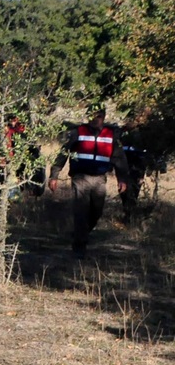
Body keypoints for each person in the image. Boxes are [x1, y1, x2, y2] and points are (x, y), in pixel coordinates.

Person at [48, 108, 129, 256]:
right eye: (92, 116)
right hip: (80, 178)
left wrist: (122, 179)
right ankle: (80, 247)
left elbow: (119, 158)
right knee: (81, 211)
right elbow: (63, 154)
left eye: (98, 116)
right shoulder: (78, 132)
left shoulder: (111, 135)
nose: (95, 119)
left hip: (100, 179)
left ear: (103, 117)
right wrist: (54, 175)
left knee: (97, 211)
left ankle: (81, 234)